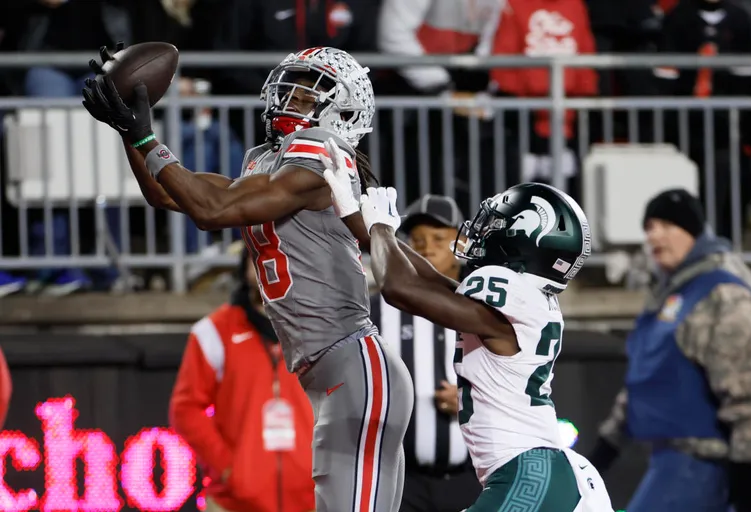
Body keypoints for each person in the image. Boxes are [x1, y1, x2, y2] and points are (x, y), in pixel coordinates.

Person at [82, 44, 450, 512]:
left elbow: (213, 210)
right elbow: (169, 194)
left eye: (305, 95)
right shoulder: (266, 159)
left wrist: (146, 138)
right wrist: (130, 130)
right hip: (330, 368)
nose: (288, 98)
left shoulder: (325, 153)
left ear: (342, 110)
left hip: (354, 361)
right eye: (290, 88)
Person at [321, 143, 614, 511]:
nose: (482, 232)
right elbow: (426, 279)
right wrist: (356, 217)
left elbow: (401, 289)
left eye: (498, 225)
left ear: (526, 238)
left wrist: (381, 227)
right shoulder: (527, 297)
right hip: (540, 469)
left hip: (529, 470)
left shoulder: (511, 295)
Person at [588, 189, 751, 512]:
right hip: (667, 462)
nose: (653, 235)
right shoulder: (667, 298)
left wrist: (750, 479)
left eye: (666, 225)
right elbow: (646, 381)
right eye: (649, 227)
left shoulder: (721, 293)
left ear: (692, 232)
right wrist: (602, 453)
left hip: (706, 465)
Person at [170, 245, 315, 512]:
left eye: (279, 259)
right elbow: (185, 409)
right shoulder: (213, 332)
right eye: (258, 257)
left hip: (311, 502)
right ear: (244, 266)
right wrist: (229, 468)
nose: (268, 268)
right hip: (233, 503)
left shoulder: (321, 330)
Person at [370, 195, 482, 512]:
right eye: (417, 239)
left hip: (470, 476)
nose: (426, 247)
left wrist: (472, 402)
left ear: (461, 245)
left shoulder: (480, 308)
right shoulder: (378, 310)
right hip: (402, 481)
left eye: (437, 238)